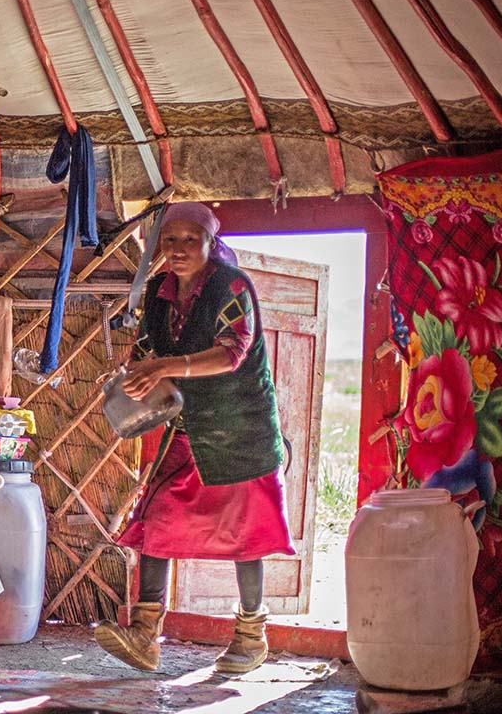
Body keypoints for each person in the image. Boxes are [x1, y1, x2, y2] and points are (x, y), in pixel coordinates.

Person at [93, 201, 293, 674]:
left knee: (247, 535)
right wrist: (135, 380)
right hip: (186, 430)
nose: (179, 250)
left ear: (209, 243)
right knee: (158, 522)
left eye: (190, 240)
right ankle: (145, 634)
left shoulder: (232, 287)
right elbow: (146, 353)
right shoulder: (160, 295)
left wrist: (166, 367)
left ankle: (250, 636)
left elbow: (232, 353)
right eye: (170, 240)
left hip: (239, 429)